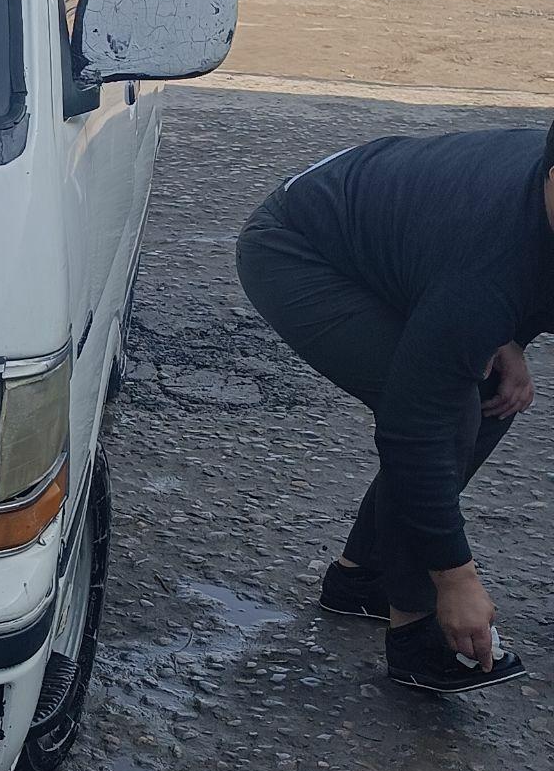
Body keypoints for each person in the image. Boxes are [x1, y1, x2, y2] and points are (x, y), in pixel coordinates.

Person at [236, 121, 554, 693]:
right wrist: (455, 579)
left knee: (487, 391)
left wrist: (507, 337)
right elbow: (415, 425)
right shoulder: (488, 267)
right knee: (450, 411)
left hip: (422, 249)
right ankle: (415, 631)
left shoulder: (492, 262)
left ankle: (365, 576)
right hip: (299, 247)